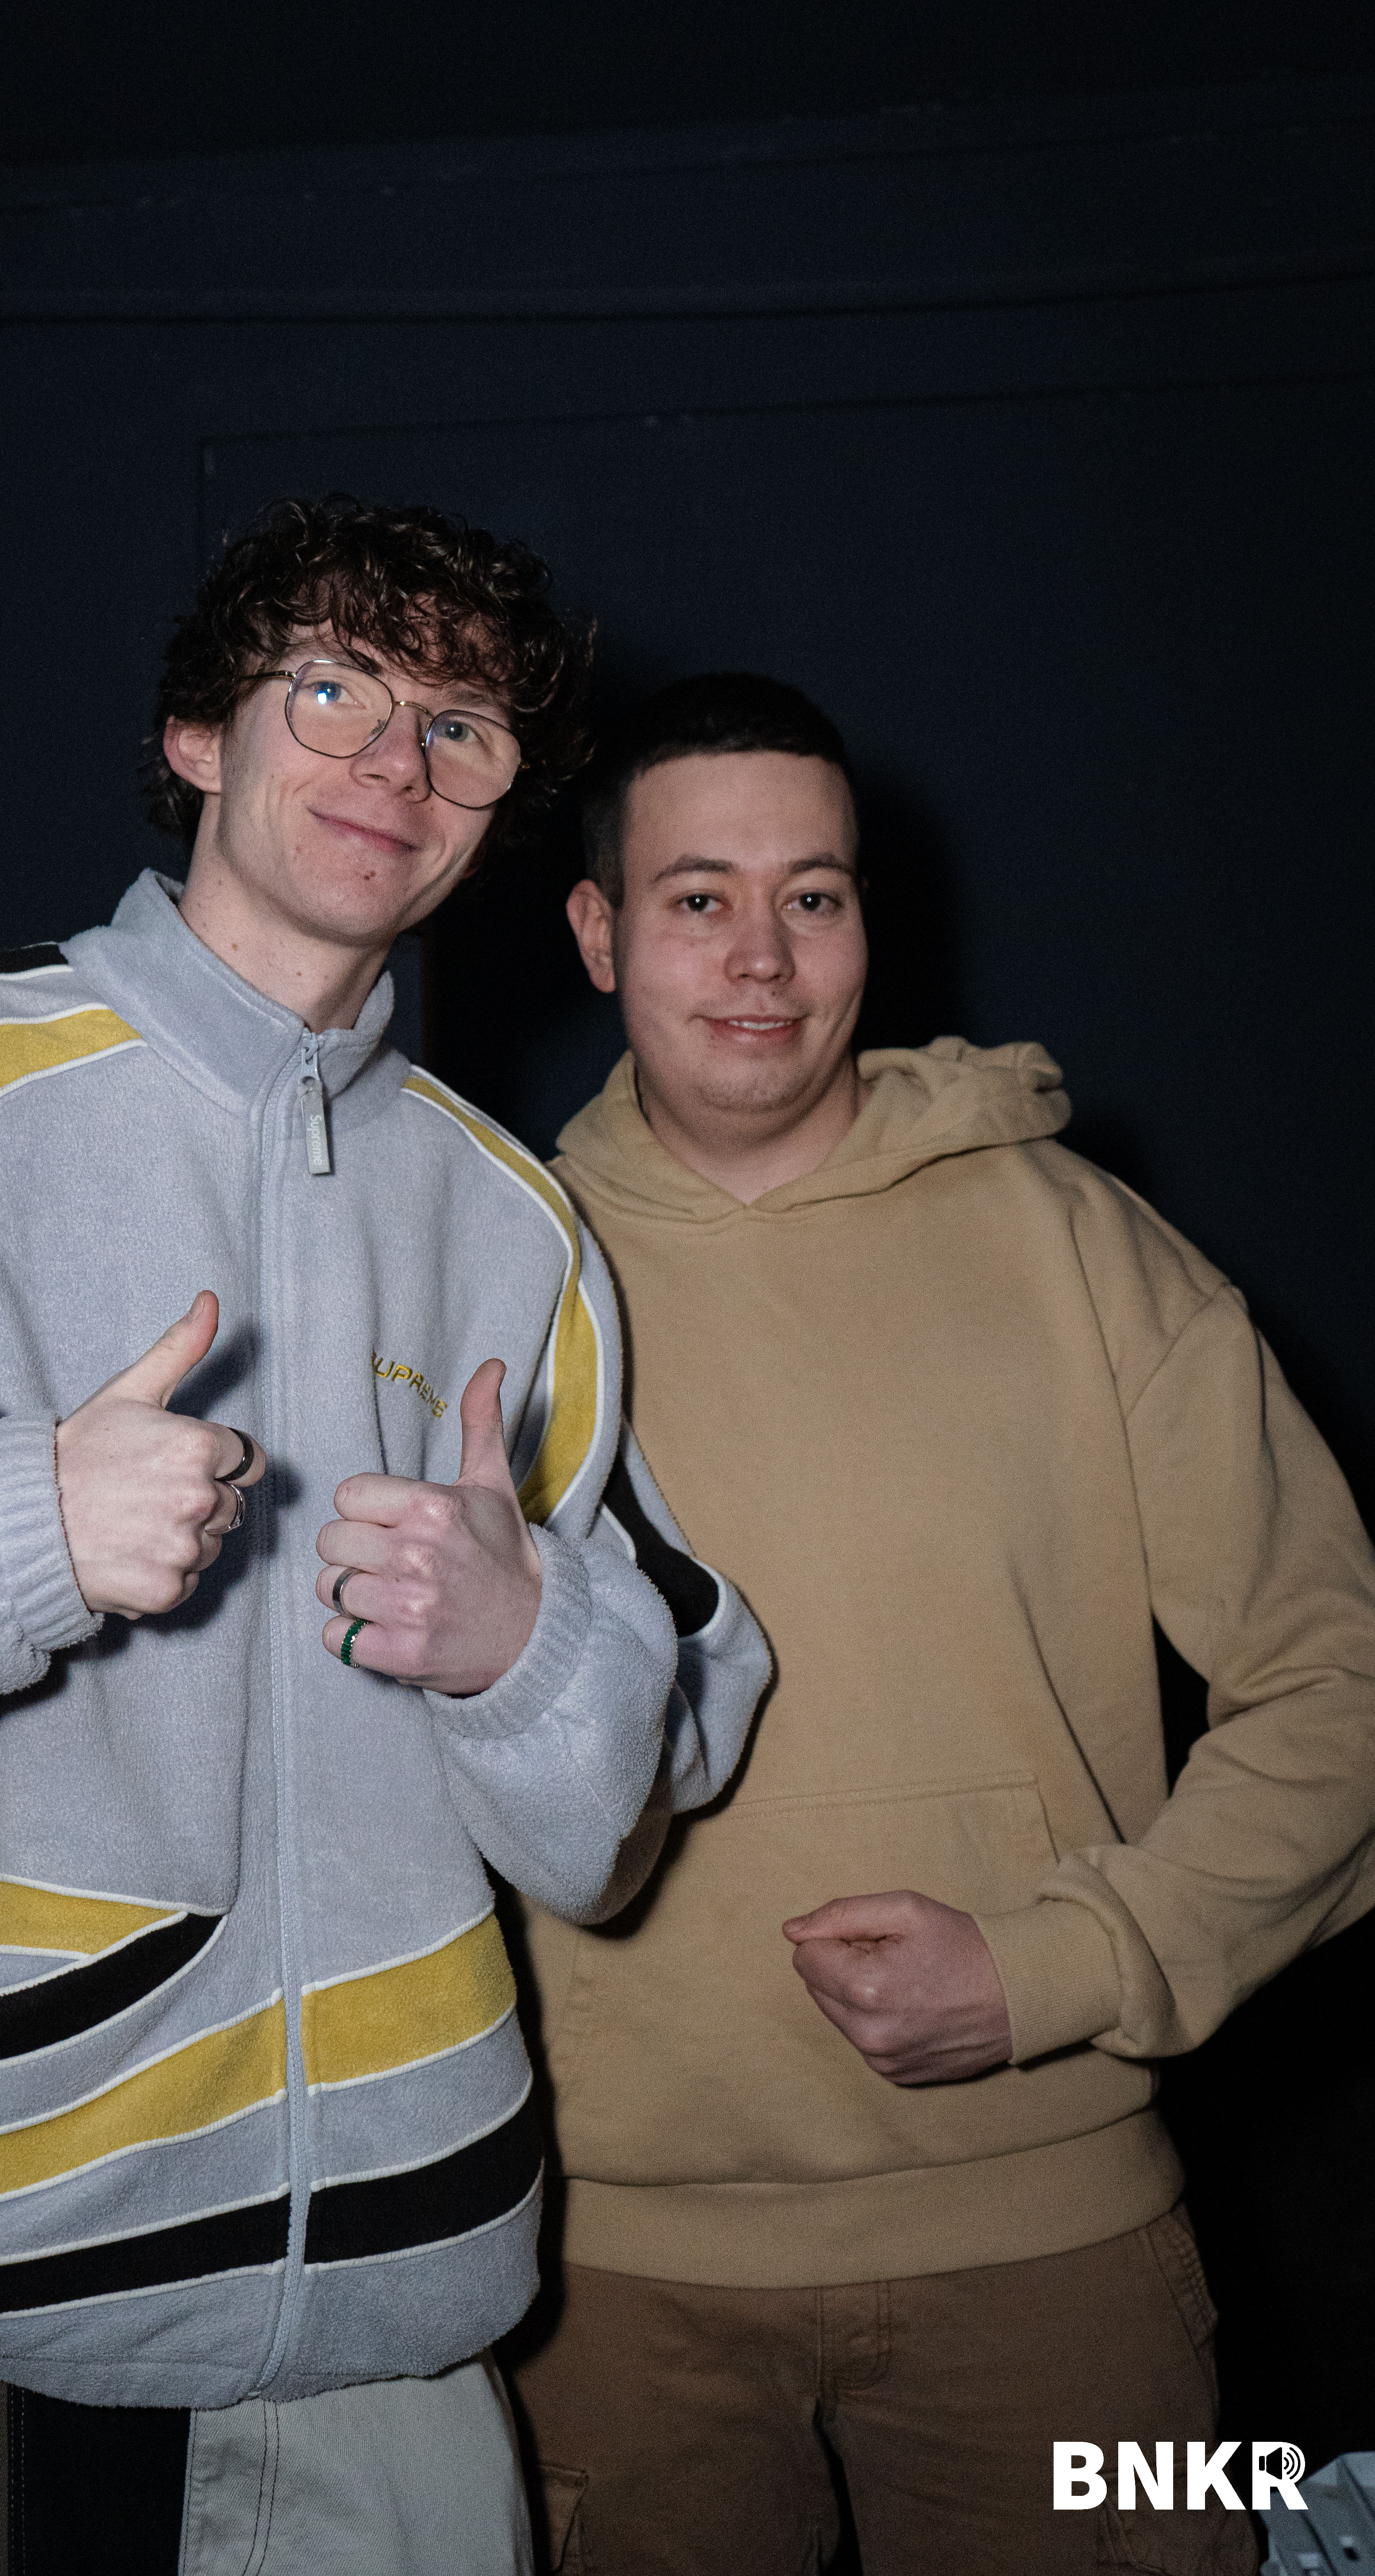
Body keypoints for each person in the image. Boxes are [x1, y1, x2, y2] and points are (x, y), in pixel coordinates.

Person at [0, 509, 767, 2576]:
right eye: (332, 689)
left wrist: (528, 1652)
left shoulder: (514, 1225)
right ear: (197, 737)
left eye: (464, 728)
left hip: (386, 2322)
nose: (394, 761)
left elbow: (646, 1771)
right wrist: (2, 1529)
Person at [505, 672, 1375, 2576]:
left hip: (1063, 2248)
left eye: (812, 897)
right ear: (595, 930)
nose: (762, 957)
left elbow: (1345, 1685)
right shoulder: (488, 1278)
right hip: (601, 2281)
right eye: (698, 898)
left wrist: (1067, 1966)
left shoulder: (1081, 1246)